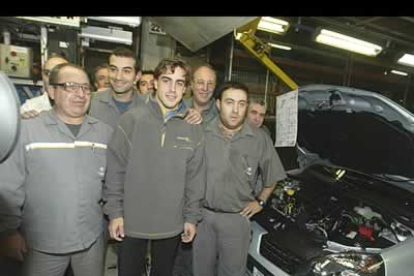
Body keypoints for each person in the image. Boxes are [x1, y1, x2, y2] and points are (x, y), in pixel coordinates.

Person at [0, 63, 113, 276]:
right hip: (42, 244)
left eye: (86, 88)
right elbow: (7, 186)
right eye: (70, 86)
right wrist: (8, 233)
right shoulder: (27, 131)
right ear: (52, 91)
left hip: (90, 240)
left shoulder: (104, 133)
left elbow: (113, 182)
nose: (80, 94)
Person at [104, 58, 206, 276]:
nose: (172, 89)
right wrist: (115, 212)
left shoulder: (194, 128)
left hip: (171, 223)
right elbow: (115, 170)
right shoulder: (131, 120)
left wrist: (191, 218)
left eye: (179, 83)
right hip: (131, 221)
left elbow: (195, 178)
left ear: (185, 89)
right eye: (167, 80)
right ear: (155, 83)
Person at [192, 81, 286, 276]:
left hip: (237, 219)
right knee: (201, 271)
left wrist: (260, 200)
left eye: (241, 104)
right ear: (218, 104)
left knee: (232, 273)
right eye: (229, 102)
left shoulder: (259, 138)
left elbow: (273, 174)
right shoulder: (202, 132)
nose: (235, 110)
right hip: (203, 218)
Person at [89, 47, 144, 128]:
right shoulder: (90, 101)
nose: (118, 77)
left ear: (137, 76)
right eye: (113, 69)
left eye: (126, 71)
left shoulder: (147, 107)